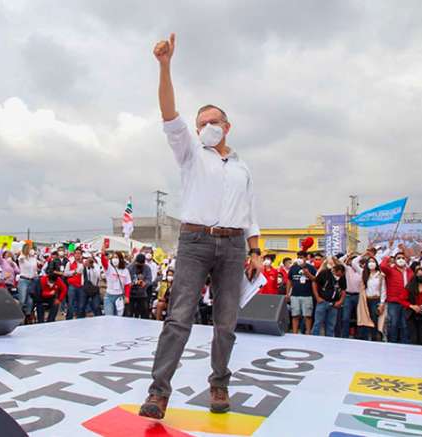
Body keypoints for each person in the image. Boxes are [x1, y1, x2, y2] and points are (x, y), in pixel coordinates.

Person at [140, 33, 261, 420]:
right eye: (200, 123)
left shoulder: (242, 167)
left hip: (234, 246)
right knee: (179, 318)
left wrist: (255, 250)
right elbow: (168, 113)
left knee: (226, 322)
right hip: (194, 241)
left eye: (212, 122)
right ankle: (158, 392)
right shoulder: (190, 153)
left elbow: (250, 213)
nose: (206, 127)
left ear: (228, 126)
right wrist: (164, 66)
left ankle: (219, 385)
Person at [380, 249, 413, 343]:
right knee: (393, 324)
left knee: (405, 325)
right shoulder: (390, 270)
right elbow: (382, 266)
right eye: (398, 258)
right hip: (394, 302)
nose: (401, 260)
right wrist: (388, 257)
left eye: (403, 258)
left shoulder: (409, 271)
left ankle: (404, 344)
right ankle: (392, 343)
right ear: (394, 260)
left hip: (406, 302)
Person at [355, 255, 386, 341]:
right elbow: (354, 263)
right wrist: (364, 254)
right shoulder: (364, 273)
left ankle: (375, 338)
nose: (371, 264)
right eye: (369, 262)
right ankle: (364, 339)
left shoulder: (380, 275)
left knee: (374, 319)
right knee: (364, 319)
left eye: (373, 262)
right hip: (365, 300)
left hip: (375, 300)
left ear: (376, 263)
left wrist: (382, 303)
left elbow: (383, 290)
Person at [286, 252, 317, 334]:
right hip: (295, 295)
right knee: (295, 315)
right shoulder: (293, 268)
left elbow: (315, 279)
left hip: (307, 295)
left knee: (307, 316)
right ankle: (295, 333)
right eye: (298, 257)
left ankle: (308, 333)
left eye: (302, 257)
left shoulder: (311, 268)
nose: (300, 259)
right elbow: (289, 280)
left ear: (306, 258)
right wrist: (287, 293)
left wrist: (307, 273)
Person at [312, 263, 346, 336]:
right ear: (335, 271)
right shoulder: (324, 273)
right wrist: (317, 297)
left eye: (340, 275)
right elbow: (314, 282)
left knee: (331, 324)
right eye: (338, 275)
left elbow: (343, 290)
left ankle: (329, 340)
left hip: (334, 303)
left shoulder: (342, 276)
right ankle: (314, 339)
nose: (338, 277)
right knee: (318, 322)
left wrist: (340, 301)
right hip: (323, 301)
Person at [100, 249, 131, 316]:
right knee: (109, 317)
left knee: (118, 319)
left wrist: (127, 296)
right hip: (109, 297)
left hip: (119, 297)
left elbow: (127, 284)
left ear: (120, 259)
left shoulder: (125, 271)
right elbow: (103, 262)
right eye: (113, 257)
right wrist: (102, 254)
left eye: (116, 257)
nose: (115, 259)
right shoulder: (109, 268)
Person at [340, 253, 362, 338]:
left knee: (359, 317)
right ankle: (345, 336)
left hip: (358, 296)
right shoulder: (347, 269)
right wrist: (347, 255)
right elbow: (340, 261)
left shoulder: (361, 270)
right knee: (345, 318)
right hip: (348, 296)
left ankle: (358, 336)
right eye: (351, 260)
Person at [128, 254, 153, 319]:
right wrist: (134, 283)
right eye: (138, 264)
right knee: (129, 314)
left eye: (141, 264)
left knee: (144, 314)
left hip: (142, 294)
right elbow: (127, 281)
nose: (139, 265)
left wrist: (145, 283)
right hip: (131, 294)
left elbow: (149, 280)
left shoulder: (147, 268)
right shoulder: (130, 268)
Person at [17, 244, 38, 318]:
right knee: (22, 300)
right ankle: (18, 315)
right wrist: (24, 254)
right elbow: (20, 258)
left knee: (30, 300)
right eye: (30, 249)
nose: (32, 250)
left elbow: (35, 269)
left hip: (32, 280)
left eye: (32, 249)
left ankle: (27, 315)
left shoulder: (34, 258)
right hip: (24, 280)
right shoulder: (22, 257)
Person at [78, 253, 102, 317]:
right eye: (85, 258)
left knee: (96, 306)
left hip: (94, 288)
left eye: (87, 259)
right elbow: (78, 272)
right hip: (84, 288)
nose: (86, 260)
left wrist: (92, 267)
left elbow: (98, 276)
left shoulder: (96, 266)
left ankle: (100, 320)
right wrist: (83, 265)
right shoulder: (82, 265)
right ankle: (81, 321)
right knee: (81, 307)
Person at [64, 247, 84, 320]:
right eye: (76, 253)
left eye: (79, 254)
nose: (77, 255)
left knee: (80, 304)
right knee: (71, 303)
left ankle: (79, 320)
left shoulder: (84, 264)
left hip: (81, 286)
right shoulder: (69, 263)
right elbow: (65, 274)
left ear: (81, 255)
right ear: (74, 254)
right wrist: (74, 272)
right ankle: (69, 319)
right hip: (72, 286)